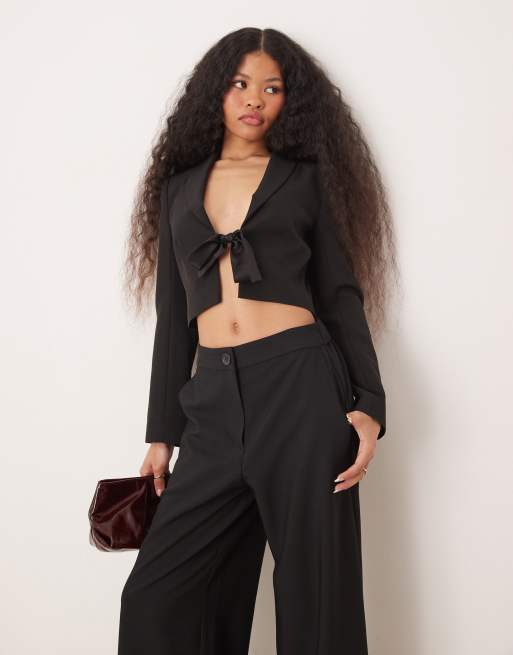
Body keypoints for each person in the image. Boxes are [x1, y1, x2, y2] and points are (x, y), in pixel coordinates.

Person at [118, 26, 396, 655]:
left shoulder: (304, 181)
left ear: (289, 102)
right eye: (241, 84)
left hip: (302, 388)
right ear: (214, 93)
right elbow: (173, 319)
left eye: (272, 88)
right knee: (156, 599)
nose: (254, 99)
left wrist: (369, 404)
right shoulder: (178, 189)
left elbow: (339, 294)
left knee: (314, 592)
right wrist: (162, 434)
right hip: (212, 400)